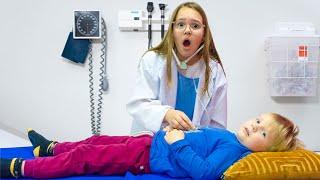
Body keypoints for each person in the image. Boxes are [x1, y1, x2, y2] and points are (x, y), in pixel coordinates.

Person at [0, 112, 304, 179]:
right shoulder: (231, 138)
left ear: (265, 151)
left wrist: (178, 141)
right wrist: (182, 132)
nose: (255, 125)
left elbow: (205, 173)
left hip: (146, 156)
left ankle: (23, 168)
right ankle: (50, 148)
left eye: (263, 133)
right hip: (149, 143)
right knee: (95, 140)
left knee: (86, 156)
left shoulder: (234, 152)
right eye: (259, 120)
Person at [127, 2, 227, 134]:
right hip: (151, 143)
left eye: (195, 26)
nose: (187, 30)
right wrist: (166, 114)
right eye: (180, 24)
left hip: (193, 147)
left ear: (204, 35)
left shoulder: (214, 71)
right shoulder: (152, 60)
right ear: (172, 31)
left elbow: (218, 126)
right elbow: (138, 104)